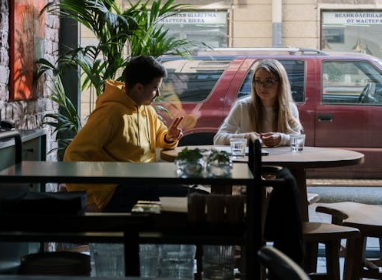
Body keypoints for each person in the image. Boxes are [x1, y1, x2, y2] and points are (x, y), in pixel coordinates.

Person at [64, 55, 196, 213]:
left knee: (193, 194)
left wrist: (168, 137)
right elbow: (74, 154)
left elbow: (159, 137)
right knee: (194, 199)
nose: (158, 93)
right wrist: (87, 200)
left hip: (144, 181)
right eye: (155, 88)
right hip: (117, 191)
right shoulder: (110, 114)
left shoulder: (145, 108)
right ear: (139, 87)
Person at [213, 59, 302, 147]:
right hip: (250, 160)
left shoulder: (289, 108)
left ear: (281, 83)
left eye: (269, 81)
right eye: (258, 81)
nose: (262, 86)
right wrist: (246, 137)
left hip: (279, 160)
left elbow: (299, 140)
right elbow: (218, 138)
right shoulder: (242, 106)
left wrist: (281, 139)